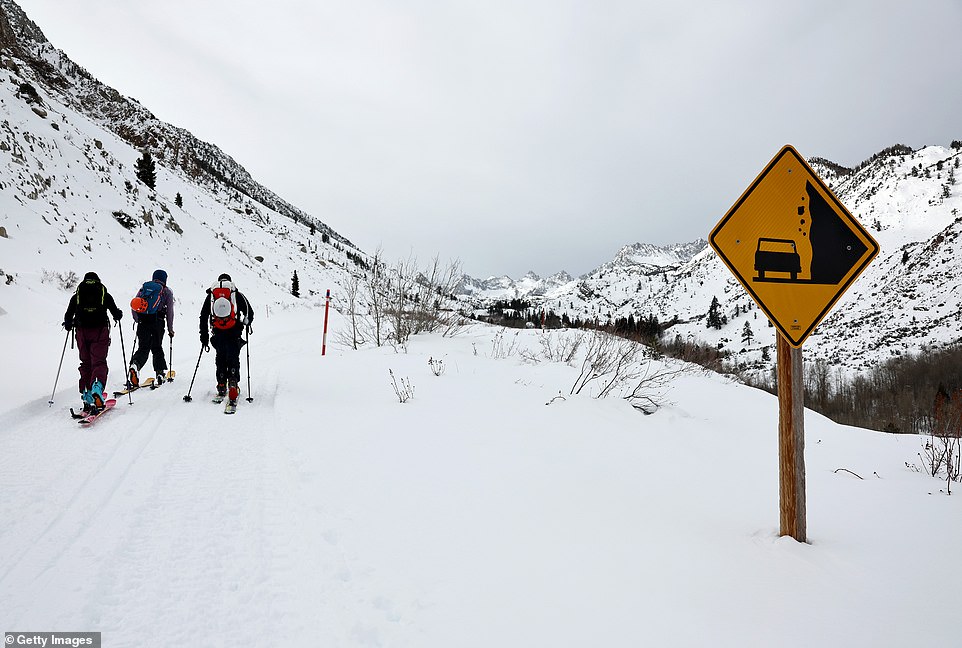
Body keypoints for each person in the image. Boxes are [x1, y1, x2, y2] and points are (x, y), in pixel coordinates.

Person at [62, 272, 123, 412]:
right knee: (99, 362)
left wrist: (68, 324)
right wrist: (118, 314)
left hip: (81, 333)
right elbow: (116, 313)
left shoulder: (77, 295)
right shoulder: (103, 293)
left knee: (86, 363)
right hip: (99, 331)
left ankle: (86, 392)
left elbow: (68, 315)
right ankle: (97, 387)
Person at [199, 273, 253, 405]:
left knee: (220, 356)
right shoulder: (236, 294)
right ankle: (233, 381)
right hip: (234, 330)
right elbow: (249, 311)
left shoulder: (211, 295)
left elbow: (203, 315)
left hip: (218, 331)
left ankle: (221, 383)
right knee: (233, 356)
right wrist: (247, 322)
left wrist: (204, 336)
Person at [128, 269, 175, 387]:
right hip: (157, 322)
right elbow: (170, 311)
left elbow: (134, 304)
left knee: (143, 348)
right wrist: (170, 328)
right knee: (157, 347)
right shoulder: (166, 292)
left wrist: (138, 320)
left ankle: (135, 365)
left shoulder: (144, 289)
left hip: (143, 322)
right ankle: (159, 373)